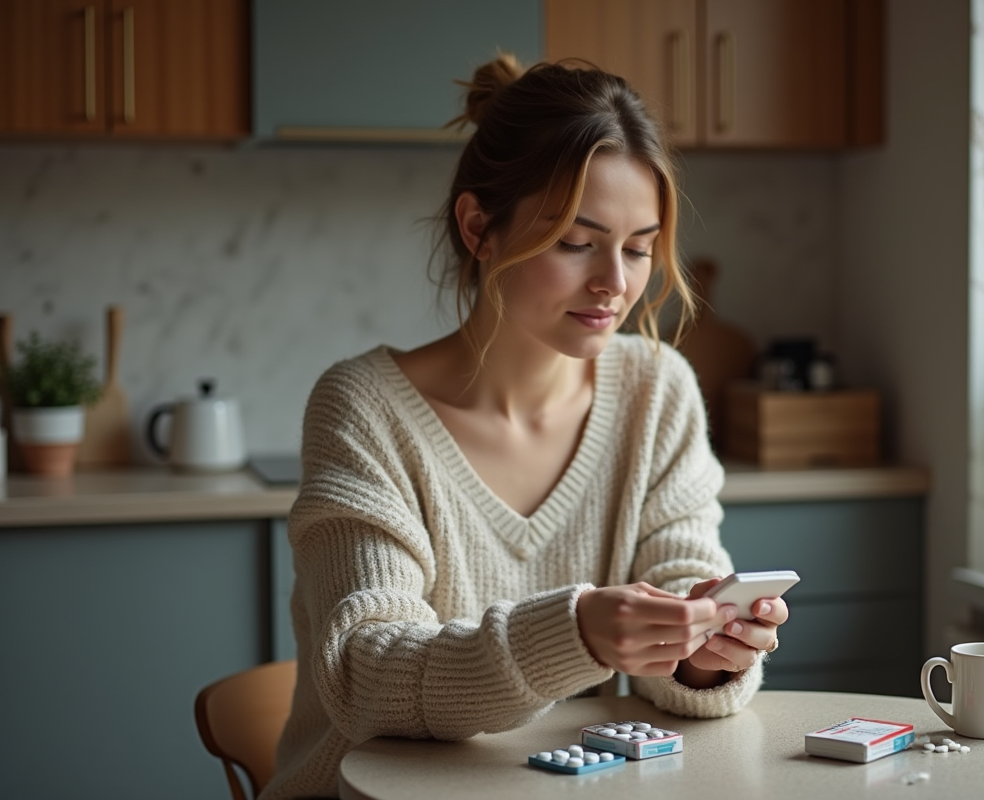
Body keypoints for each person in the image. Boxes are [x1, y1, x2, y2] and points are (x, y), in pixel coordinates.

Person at [261, 54, 790, 800]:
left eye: (638, 248)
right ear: (480, 228)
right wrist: (574, 633)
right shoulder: (363, 407)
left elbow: (679, 603)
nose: (616, 282)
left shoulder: (657, 389)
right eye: (578, 242)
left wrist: (706, 647)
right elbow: (365, 675)